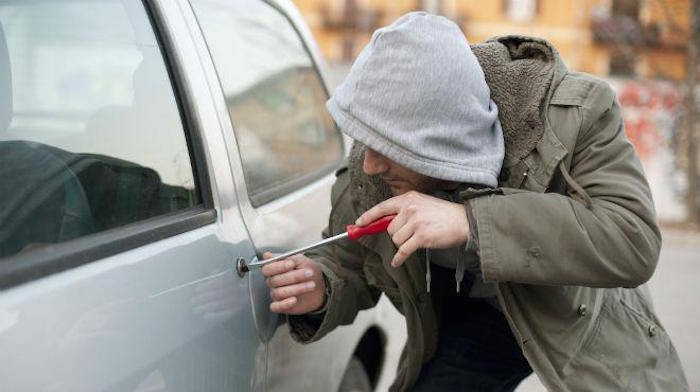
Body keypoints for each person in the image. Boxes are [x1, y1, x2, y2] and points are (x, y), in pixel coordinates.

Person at [261, 12, 688, 392]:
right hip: (474, 326)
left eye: (388, 148)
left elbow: (632, 240)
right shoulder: (373, 163)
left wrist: (470, 221)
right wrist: (322, 286)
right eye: (365, 141)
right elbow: (353, 261)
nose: (369, 164)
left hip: (579, 316)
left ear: (439, 140)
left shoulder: (576, 114)